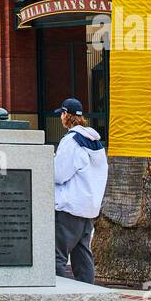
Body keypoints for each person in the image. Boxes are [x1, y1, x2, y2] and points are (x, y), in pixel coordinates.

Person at [52, 97, 108, 284]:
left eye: (62, 113)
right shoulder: (96, 143)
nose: (61, 117)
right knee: (83, 257)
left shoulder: (71, 141)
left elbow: (58, 174)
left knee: (56, 258)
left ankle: (58, 296)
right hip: (88, 209)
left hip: (69, 208)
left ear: (67, 115)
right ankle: (89, 292)